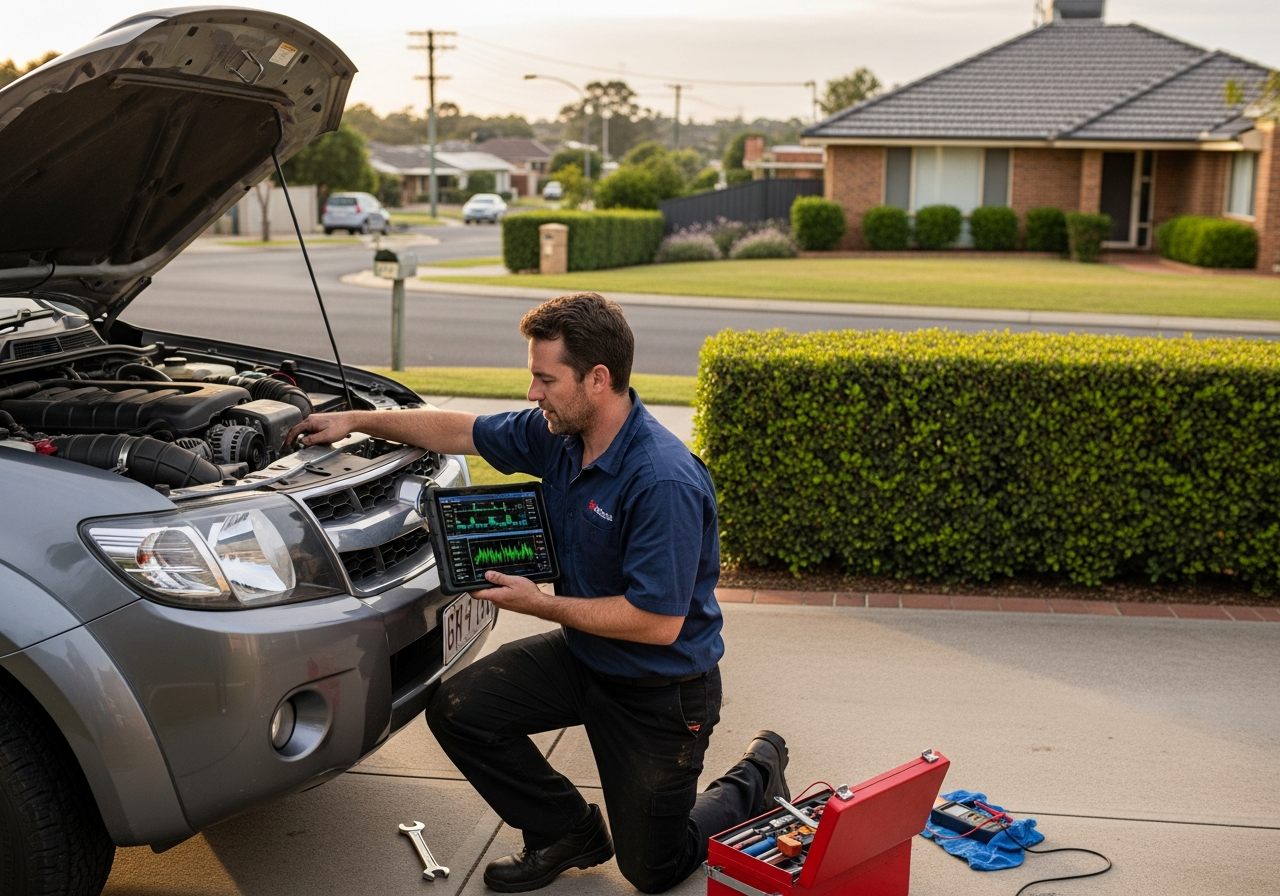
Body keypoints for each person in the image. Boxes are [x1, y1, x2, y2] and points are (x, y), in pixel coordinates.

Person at [288, 292, 789, 894]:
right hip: (586, 657)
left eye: (545, 379)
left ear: (596, 379)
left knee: (654, 868)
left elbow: (657, 622)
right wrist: (356, 421)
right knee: (460, 711)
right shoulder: (558, 434)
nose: (532, 393)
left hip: (660, 690)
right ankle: (567, 831)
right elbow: (460, 431)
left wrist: (540, 604)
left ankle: (759, 771)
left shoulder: (661, 480)